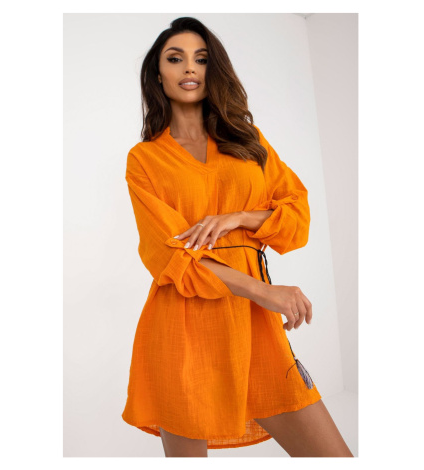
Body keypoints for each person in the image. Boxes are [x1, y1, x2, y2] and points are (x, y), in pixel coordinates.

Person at [121, 16, 353, 458]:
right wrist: (265, 291)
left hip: (255, 326)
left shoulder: (248, 142)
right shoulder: (145, 159)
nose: (190, 68)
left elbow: (297, 215)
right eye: (175, 58)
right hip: (182, 325)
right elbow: (168, 255)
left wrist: (238, 217)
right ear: (158, 74)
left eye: (201, 58)